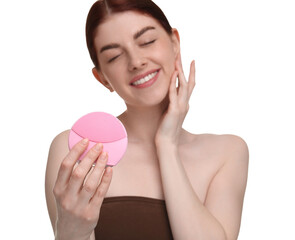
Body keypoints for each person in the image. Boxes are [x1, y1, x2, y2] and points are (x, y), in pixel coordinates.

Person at [45, 0, 249, 239]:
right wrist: (70, 229)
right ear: (102, 78)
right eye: (114, 56)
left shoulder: (228, 152)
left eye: (147, 41)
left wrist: (166, 145)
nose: (136, 62)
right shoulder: (79, 150)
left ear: (175, 42)